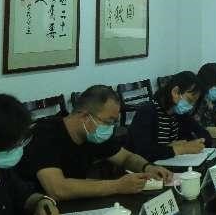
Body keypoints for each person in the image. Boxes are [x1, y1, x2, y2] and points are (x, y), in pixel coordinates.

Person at [17, 85, 173, 201]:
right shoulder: (45, 134)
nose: (111, 128)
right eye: (109, 122)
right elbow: (58, 189)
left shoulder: (92, 133)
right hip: (38, 209)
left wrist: (148, 167)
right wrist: (117, 186)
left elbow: (126, 157)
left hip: (75, 204)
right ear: (85, 117)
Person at [127, 70, 213, 162]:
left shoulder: (179, 114)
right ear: (175, 92)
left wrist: (194, 142)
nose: (190, 106)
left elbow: (205, 137)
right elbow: (144, 152)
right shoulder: (147, 112)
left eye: (193, 103)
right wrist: (180, 148)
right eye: (189, 100)